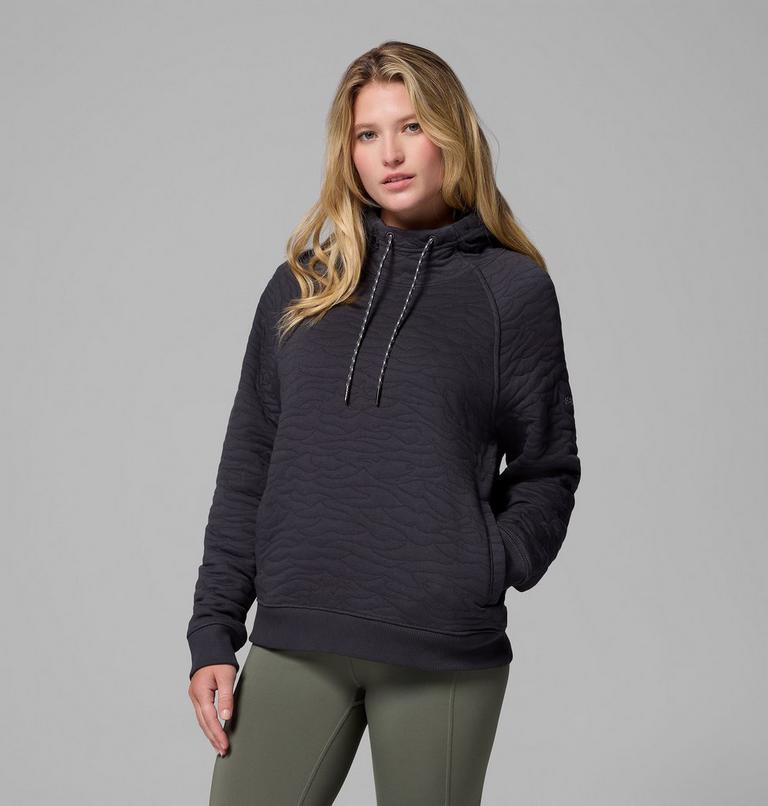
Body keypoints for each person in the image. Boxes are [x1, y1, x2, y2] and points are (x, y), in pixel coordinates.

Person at [186, 40, 581, 806]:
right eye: (368, 134)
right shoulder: (302, 287)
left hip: (441, 651)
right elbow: (248, 468)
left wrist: (483, 561)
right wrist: (213, 631)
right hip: (298, 637)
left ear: (451, 135)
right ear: (349, 151)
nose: (390, 154)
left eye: (411, 127)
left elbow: (548, 469)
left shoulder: (511, 292)